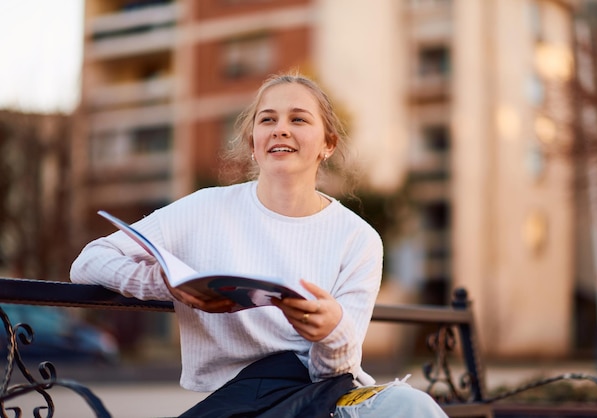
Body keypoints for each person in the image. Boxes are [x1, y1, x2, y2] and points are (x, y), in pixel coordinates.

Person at [70, 72, 448, 418]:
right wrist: (167, 286)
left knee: (412, 405)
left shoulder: (359, 239)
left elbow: (332, 375)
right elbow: (90, 261)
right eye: (268, 119)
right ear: (253, 143)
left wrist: (332, 331)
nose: (280, 129)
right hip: (236, 403)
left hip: (322, 399)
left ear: (327, 145)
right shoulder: (205, 208)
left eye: (298, 119)